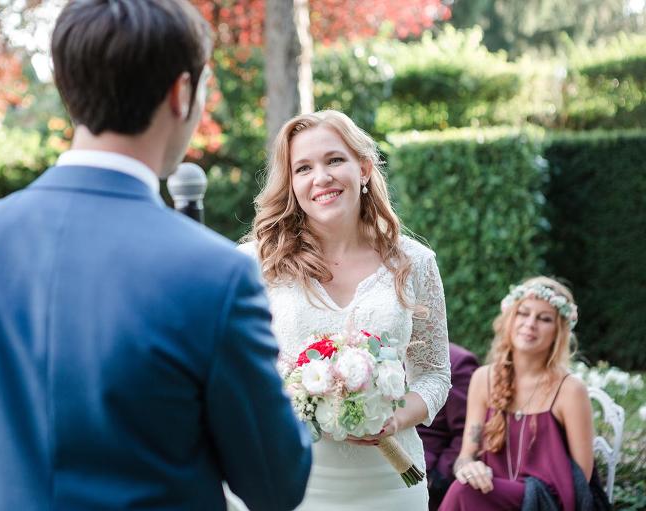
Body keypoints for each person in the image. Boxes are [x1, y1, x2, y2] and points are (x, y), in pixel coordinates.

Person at [0, 1, 311, 509]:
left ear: (66, 86)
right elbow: (276, 485)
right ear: (183, 92)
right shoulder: (219, 275)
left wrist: (11, 489)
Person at [239, 110, 451, 509]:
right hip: (289, 481)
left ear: (365, 168)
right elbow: (236, 374)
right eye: (303, 168)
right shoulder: (256, 265)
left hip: (390, 485)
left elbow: (435, 373)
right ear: (291, 183)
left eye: (335, 160)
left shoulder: (414, 262)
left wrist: (395, 417)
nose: (321, 177)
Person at [440, 276, 594, 510]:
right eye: (523, 313)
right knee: (466, 486)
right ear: (510, 319)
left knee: (464, 492)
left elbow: (582, 477)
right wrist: (469, 468)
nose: (530, 323)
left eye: (544, 319)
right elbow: (465, 456)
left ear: (559, 331)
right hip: (493, 495)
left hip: (547, 501)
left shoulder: (570, 390)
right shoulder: (484, 379)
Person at [417, 343, 479, 510]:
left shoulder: (457, 362)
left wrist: (438, 478)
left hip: (424, 476)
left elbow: (466, 430)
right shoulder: (369, 352)